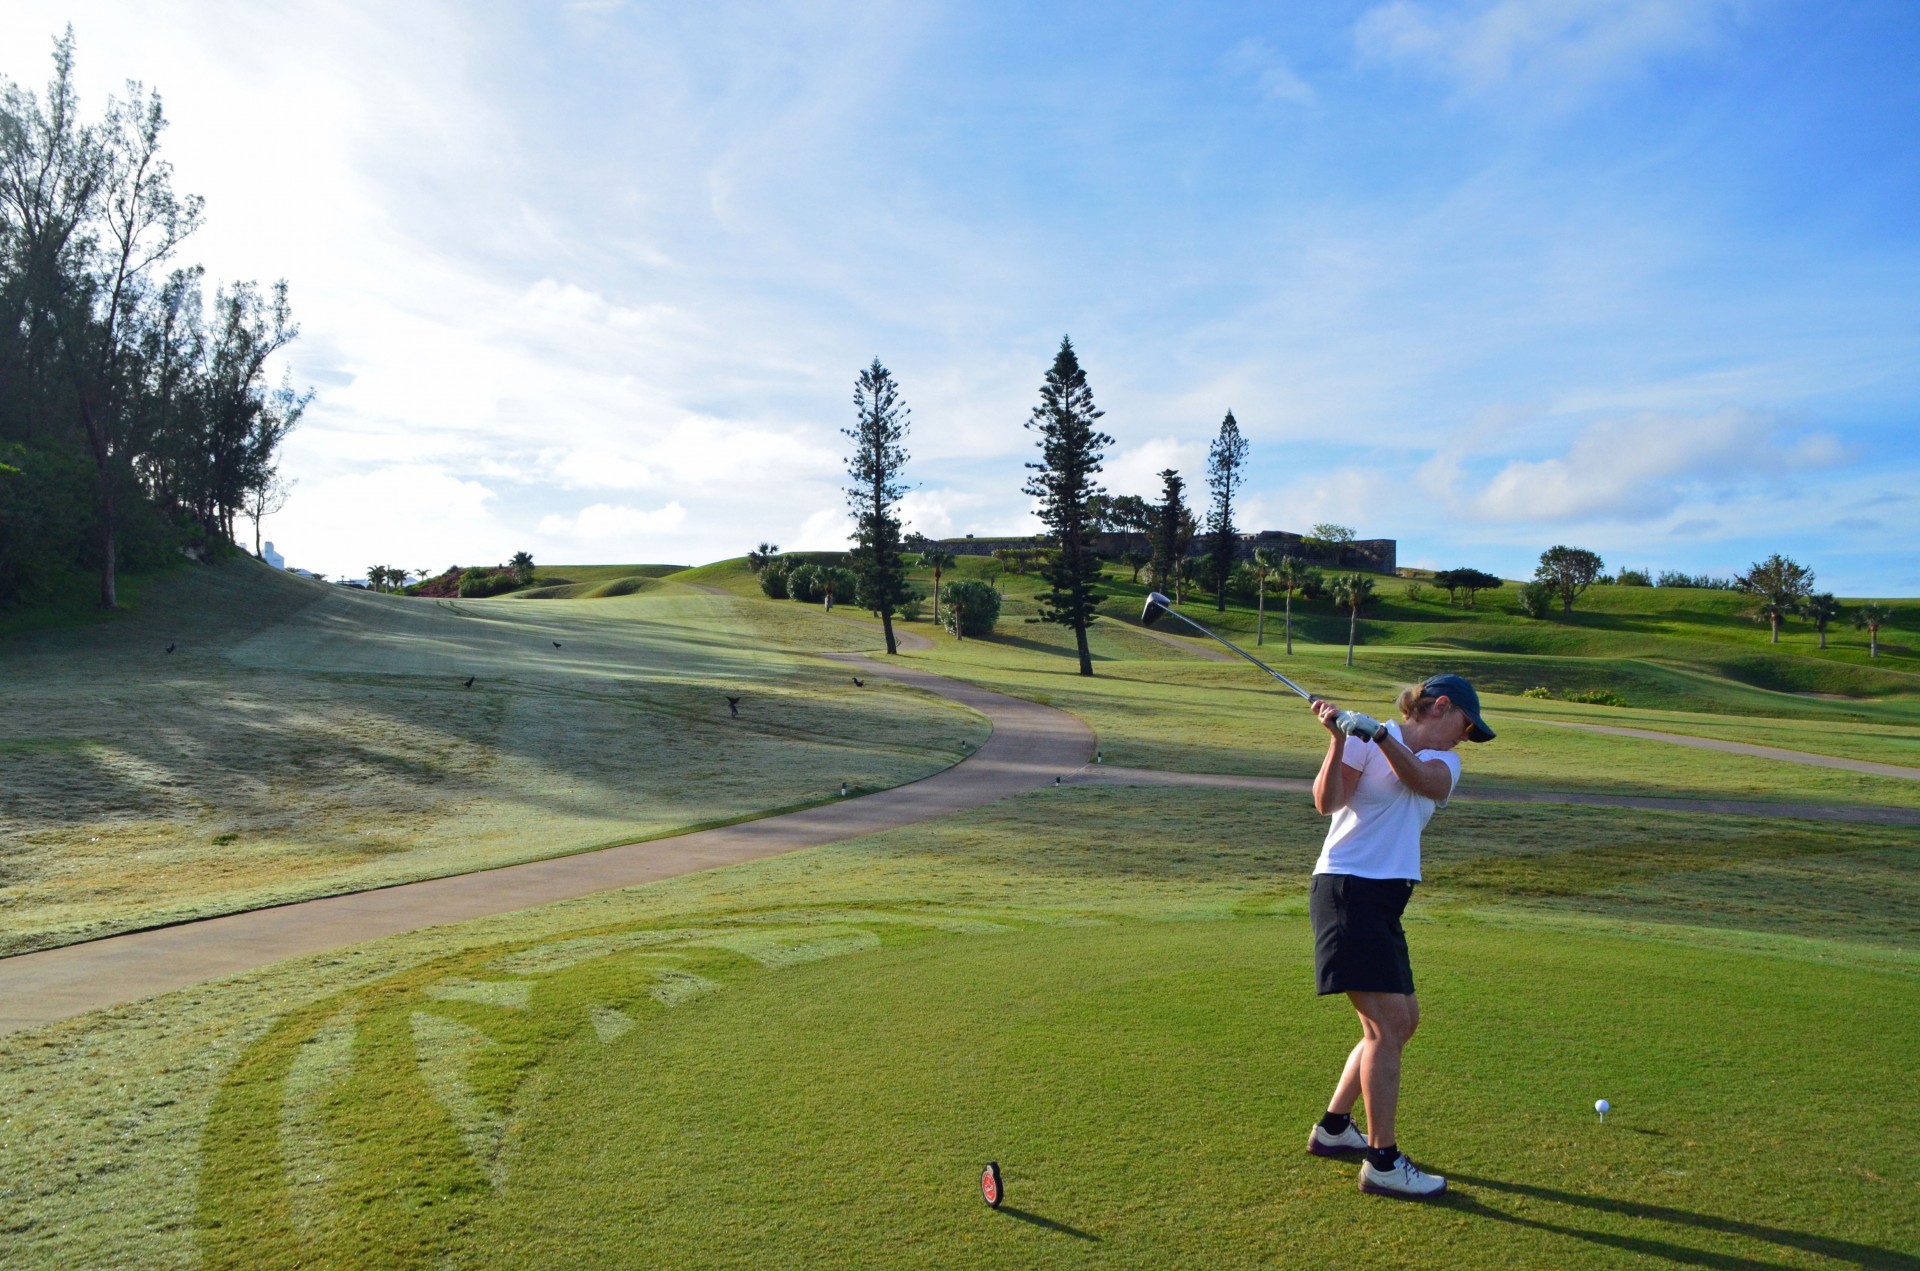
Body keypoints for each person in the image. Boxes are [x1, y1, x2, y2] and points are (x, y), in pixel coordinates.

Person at [1303, 673, 1494, 1199]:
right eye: (1465, 725)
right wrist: (1339, 737)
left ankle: (1335, 1128)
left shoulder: (1443, 764)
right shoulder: (1365, 739)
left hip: (1387, 898)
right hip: (1346, 888)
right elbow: (1327, 803)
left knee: (1402, 1022)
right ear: (1440, 706)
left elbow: (1423, 783)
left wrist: (1379, 736)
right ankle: (1382, 1162)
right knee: (1387, 1025)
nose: (1464, 738)